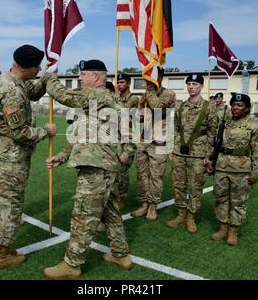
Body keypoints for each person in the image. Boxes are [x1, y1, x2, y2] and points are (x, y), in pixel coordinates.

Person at [43, 59, 134, 279]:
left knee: (83, 215)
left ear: (95, 77)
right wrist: (62, 157)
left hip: (97, 167)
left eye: (82, 75)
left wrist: (49, 77)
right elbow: (81, 134)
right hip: (103, 166)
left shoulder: (97, 95)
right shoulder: (96, 103)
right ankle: (121, 254)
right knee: (110, 212)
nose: (79, 78)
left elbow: (63, 95)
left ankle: (72, 264)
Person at [0, 44, 57, 269]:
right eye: (37, 67)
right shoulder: (12, 92)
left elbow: (32, 92)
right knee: (10, 205)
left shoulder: (8, 79)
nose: (38, 70)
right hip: (10, 159)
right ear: (26, 68)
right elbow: (20, 133)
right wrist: (46, 131)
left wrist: (45, 79)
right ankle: (1, 255)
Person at [207, 93, 258, 245]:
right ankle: (223, 227)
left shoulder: (254, 125)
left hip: (242, 170)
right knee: (221, 198)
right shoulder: (224, 124)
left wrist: (255, 173)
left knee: (238, 201)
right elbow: (217, 145)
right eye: (233, 105)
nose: (235, 108)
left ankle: (233, 231)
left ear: (247, 108)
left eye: (239, 105)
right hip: (222, 167)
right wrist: (211, 161)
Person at [166, 73, 218, 233]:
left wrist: (208, 155)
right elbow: (174, 127)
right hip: (180, 153)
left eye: (194, 84)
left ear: (201, 86)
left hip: (198, 154)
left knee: (195, 187)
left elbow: (212, 133)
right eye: (189, 84)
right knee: (178, 185)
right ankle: (181, 214)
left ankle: (191, 217)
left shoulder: (209, 107)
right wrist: (172, 147)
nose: (191, 87)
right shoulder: (181, 107)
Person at [131, 67, 176, 221]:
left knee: (156, 176)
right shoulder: (146, 95)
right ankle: (144, 203)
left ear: (160, 77)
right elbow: (139, 119)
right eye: (147, 79)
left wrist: (149, 90)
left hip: (159, 141)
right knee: (142, 175)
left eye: (151, 78)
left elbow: (157, 106)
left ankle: (152, 206)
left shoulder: (168, 94)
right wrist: (140, 105)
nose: (148, 82)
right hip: (144, 139)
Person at [114, 73, 139, 211]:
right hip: (114, 139)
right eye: (118, 82)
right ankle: (114, 197)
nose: (119, 84)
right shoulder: (114, 98)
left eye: (122, 82)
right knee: (114, 171)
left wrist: (129, 149)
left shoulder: (133, 99)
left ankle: (121, 198)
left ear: (128, 83)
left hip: (127, 140)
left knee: (122, 172)